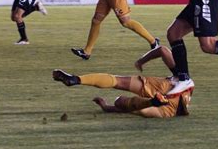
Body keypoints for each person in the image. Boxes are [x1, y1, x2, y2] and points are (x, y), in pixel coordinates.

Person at [53, 46, 192, 118]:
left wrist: (141, 61)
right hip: (163, 102)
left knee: (116, 81)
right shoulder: (169, 112)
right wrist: (109, 107)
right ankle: (152, 101)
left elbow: (162, 50)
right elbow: (139, 110)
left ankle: (76, 79)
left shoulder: (185, 82)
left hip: (169, 85)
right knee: (127, 104)